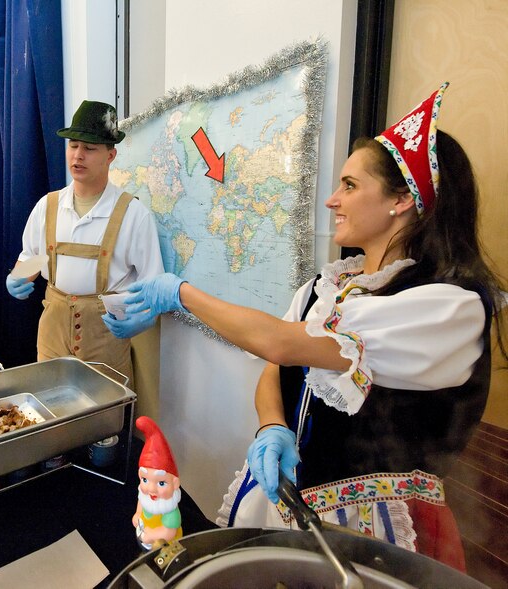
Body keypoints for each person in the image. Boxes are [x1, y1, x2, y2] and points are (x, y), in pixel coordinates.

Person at [108, 83, 505, 570]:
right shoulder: (326, 288)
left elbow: (277, 339)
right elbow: (277, 363)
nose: (331, 201)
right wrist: (272, 426)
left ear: (401, 199)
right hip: (294, 505)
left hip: (377, 527)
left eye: (351, 186)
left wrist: (180, 293)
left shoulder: (446, 308)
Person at [5, 100, 164, 383]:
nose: (78, 156)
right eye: (73, 146)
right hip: (52, 335)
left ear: (111, 155)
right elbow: (34, 255)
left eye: (89, 149)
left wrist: (144, 318)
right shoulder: (47, 206)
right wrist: (18, 274)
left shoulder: (133, 215)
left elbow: (153, 283)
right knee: (52, 407)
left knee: (103, 419)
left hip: (106, 339)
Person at [133, 416, 183, 550]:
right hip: (144, 537)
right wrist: (138, 514)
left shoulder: (170, 511)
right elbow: (141, 503)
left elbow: (168, 532)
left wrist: (151, 535)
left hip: (165, 547)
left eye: (161, 483)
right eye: (145, 480)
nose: (151, 489)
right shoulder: (145, 497)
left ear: (175, 483)